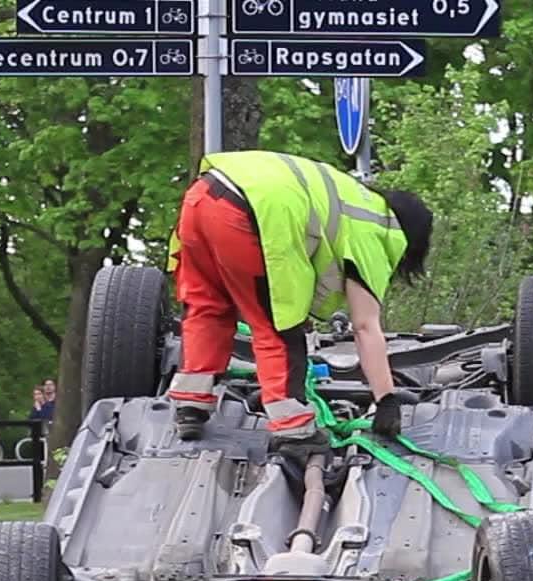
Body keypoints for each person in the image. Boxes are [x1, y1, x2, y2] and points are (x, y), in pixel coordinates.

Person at [165, 150, 433, 458]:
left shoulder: (352, 199)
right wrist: (386, 400)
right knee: (278, 323)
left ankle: (191, 404)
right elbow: (364, 325)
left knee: (207, 307)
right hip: (254, 212)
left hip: (202, 196)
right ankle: (292, 428)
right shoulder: (378, 230)